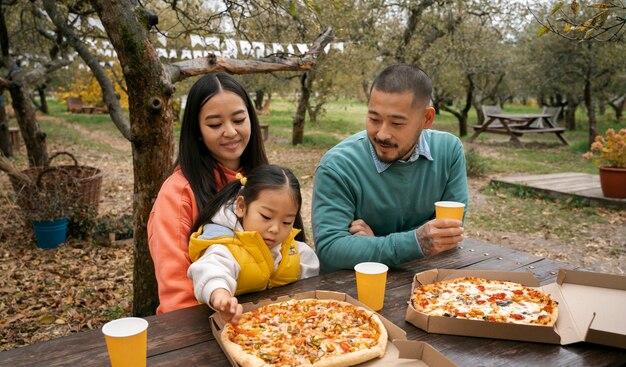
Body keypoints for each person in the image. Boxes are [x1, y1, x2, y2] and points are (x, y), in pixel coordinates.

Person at [312, 63, 469, 272]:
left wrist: (376, 242)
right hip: (352, 294)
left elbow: (448, 233)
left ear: (426, 118)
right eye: (374, 119)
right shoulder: (337, 166)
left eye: (397, 123)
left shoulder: (449, 151)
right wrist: (415, 242)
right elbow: (331, 249)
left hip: (430, 287)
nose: (382, 134)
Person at [148, 73, 268, 314]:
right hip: (202, 324)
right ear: (197, 131)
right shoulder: (178, 193)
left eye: (238, 119)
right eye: (215, 124)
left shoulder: (263, 179)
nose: (231, 132)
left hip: (269, 319)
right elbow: (177, 294)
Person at [187, 165, 320, 324]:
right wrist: (221, 296)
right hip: (230, 325)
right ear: (241, 206)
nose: (275, 229)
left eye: (286, 222)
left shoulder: (295, 250)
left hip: (281, 329)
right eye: (266, 216)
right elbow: (211, 270)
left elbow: (312, 282)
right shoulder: (225, 244)